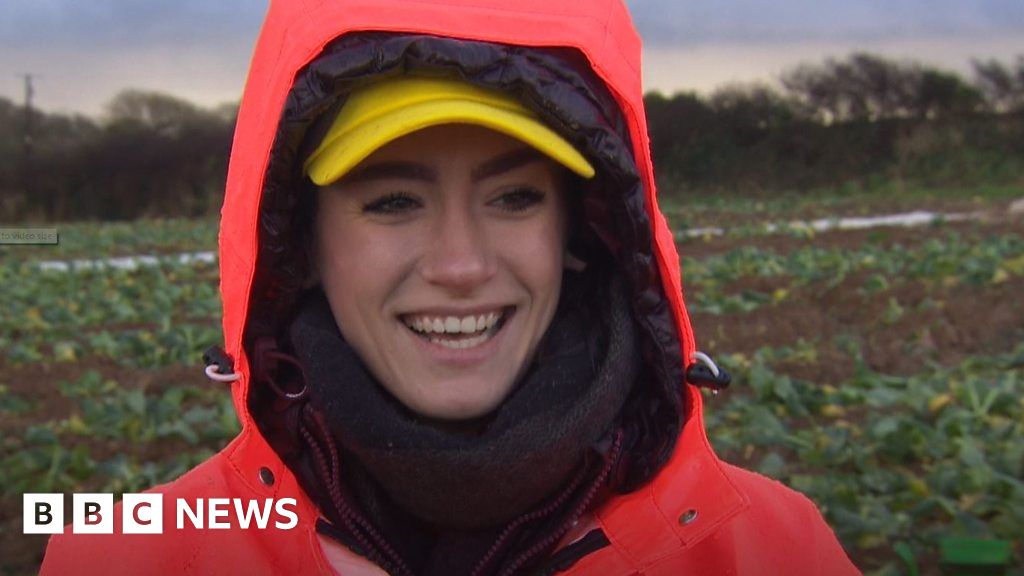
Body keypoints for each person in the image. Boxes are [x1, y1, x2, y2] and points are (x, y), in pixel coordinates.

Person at [41, 0, 860, 574]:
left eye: (515, 197)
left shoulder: (773, 550)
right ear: (300, 243)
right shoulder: (123, 555)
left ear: (580, 231)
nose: (462, 265)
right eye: (393, 202)